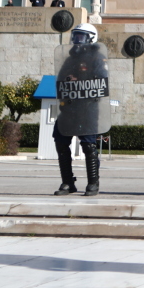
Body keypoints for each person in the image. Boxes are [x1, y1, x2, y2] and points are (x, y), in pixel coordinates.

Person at [53, 23, 105, 197]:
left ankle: (93, 182)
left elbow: (101, 83)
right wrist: (68, 79)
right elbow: (60, 80)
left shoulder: (96, 58)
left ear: (91, 38)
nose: (76, 40)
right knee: (60, 141)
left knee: (88, 145)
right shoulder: (69, 59)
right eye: (74, 36)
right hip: (69, 108)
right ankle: (68, 182)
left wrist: (82, 79)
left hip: (87, 108)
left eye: (80, 37)